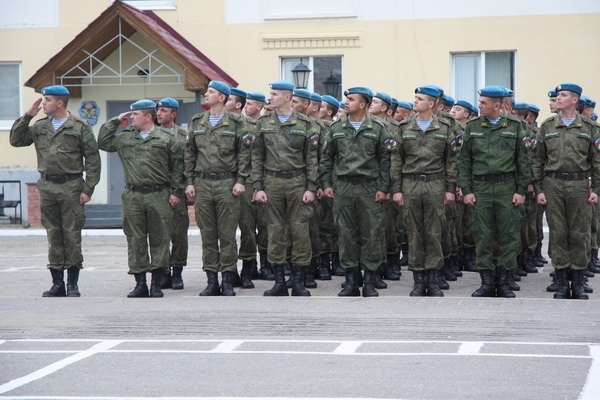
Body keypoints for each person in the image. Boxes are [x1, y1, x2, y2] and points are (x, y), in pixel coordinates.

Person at [10, 85, 101, 297]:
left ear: (59, 103)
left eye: (47, 100)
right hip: (48, 185)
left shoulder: (79, 126)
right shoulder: (40, 126)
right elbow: (16, 140)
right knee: (53, 234)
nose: (42, 104)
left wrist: (88, 188)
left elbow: (94, 159)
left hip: (72, 186)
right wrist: (27, 116)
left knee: (71, 233)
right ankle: (57, 283)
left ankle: (73, 284)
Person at [98, 99, 184, 298]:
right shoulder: (125, 137)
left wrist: (176, 192)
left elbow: (179, 167)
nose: (131, 117)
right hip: (133, 195)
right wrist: (114, 122)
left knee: (160, 239)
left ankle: (156, 284)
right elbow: (102, 142)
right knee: (135, 239)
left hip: (159, 194)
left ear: (148, 116)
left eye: (135, 114)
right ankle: (140, 284)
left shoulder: (166, 138)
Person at [458, 86, 531, 298]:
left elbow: (523, 161)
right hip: (480, 187)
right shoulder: (472, 127)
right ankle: (487, 282)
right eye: (480, 102)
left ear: (497, 105)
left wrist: (520, 190)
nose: (479, 106)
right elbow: (464, 161)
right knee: (482, 235)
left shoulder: (516, 126)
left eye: (484, 103)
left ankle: (505, 281)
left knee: (508, 234)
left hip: (506, 187)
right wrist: (467, 190)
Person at [320, 86, 393, 297]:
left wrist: (383, 188)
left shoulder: (378, 128)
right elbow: (327, 159)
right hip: (343, 186)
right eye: (346, 99)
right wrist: (326, 184)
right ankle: (351, 281)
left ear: (363, 104)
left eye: (351, 99)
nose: (346, 102)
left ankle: (370, 281)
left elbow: (386, 161)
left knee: (372, 233)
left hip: (369, 187)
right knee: (345, 233)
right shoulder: (336, 128)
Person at [532, 83, 600, 300]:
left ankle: (578, 281)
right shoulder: (547, 126)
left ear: (574, 100)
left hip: (580, 185)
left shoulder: (590, 128)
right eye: (557, 95)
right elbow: (537, 160)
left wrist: (596, 189)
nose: (557, 98)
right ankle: (561, 281)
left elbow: (597, 162)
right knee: (559, 232)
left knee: (579, 233)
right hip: (554, 185)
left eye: (563, 95)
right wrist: (539, 188)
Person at [251, 80, 319, 297]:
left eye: (275, 94)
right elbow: (257, 156)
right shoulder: (263, 123)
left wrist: (311, 187)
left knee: (300, 232)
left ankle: (298, 281)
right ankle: (279, 280)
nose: (270, 97)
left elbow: (312, 159)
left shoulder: (306, 124)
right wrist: (258, 187)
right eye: (270, 93)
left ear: (288, 97)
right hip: (272, 183)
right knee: (275, 232)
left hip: (297, 182)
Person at [185, 81, 253, 296]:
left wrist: (241, 180)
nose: (206, 94)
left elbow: (245, 153)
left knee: (227, 234)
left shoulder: (235, 122)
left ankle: (227, 280)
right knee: (207, 234)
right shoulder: (198, 122)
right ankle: (211, 280)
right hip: (203, 184)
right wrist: (189, 182)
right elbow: (189, 154)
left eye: (211, 92)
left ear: (222, 97)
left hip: (227, 183)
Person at [391, 86, 458, 296]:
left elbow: (452, 161)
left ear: (432, 103)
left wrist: (449, 189)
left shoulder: (446, 127)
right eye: (415, 98)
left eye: (420, 99)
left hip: (435, 184)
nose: (415, 101)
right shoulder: (403, 127)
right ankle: (418, 280)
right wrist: (397, 189)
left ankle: (434, 279)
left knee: (434, 232)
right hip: (410, 184)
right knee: (414, 232)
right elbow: (396, 159)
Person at [155, 97, 189, 290]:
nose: (159, 114)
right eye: (158, 111)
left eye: (164, 111)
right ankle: (163, 273)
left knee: (178, 234)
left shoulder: (184, 136)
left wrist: (188, 187)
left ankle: (177, 273)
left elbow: (189, 163)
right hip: (158, 189)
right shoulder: (152, 134)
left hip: (178, 190)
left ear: (173, 114)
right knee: (160, 234)